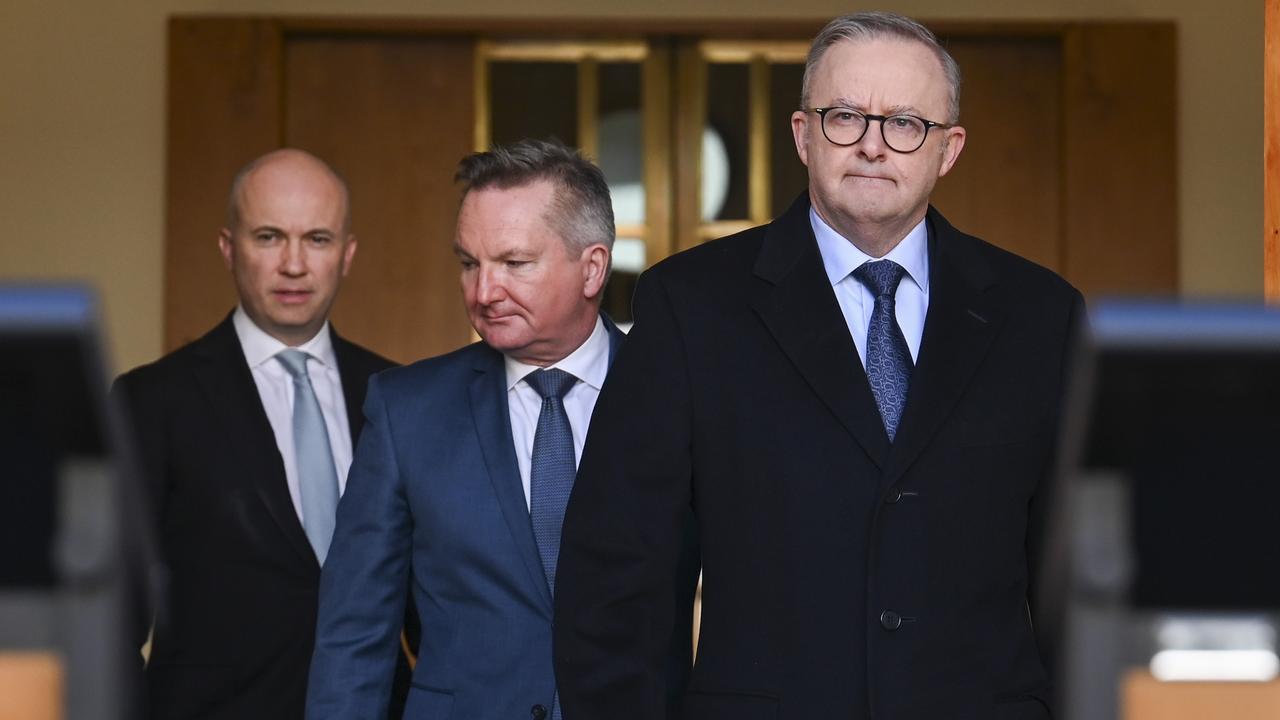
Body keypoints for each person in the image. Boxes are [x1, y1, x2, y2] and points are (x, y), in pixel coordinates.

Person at [554, 11, 1085, 720]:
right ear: (803, 134)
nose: (872, 145)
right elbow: (618, 576)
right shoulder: (691, 304)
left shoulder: (1041, 315)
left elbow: (1079, 576)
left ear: (948, 150)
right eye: (844, 117)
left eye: (905, 123)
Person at [306, 139, 695, 720]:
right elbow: (355, 634)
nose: (484, 292)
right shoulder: (405, 411)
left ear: (592, 267)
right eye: (469, 263)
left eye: (514, 263)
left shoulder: (681, 398)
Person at [113, 148, 408, 719]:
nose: (294, 264)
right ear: (229, 248)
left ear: (347, 254)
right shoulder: (152, 400)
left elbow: (440, 605)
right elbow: (108, 620)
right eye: (269, 237)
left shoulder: (398, 395)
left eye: (318, 239)